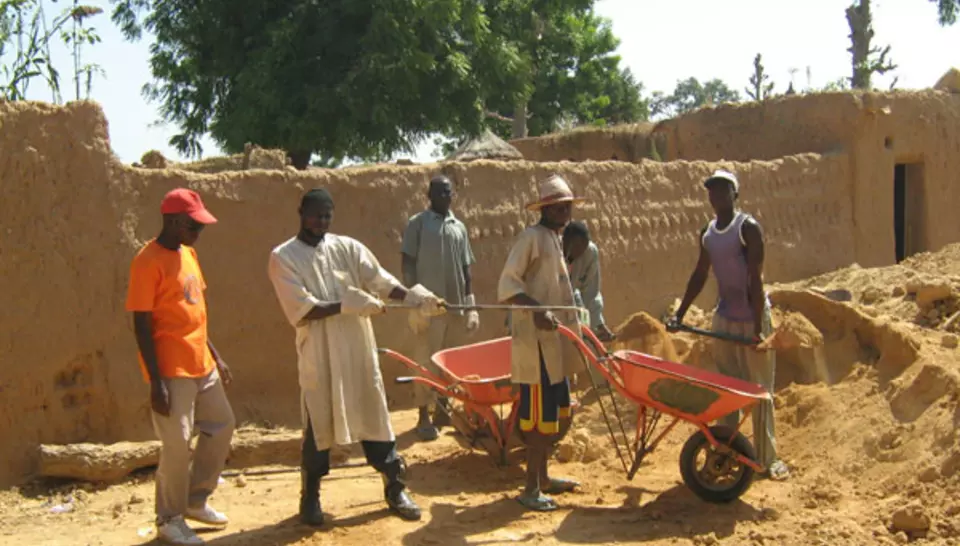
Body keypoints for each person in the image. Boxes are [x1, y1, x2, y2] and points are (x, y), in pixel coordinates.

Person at [267, 188, 446, 526]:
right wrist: (345, 305)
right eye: (315, 214)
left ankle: (395, 487)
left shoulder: (347, 247)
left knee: (374, 414)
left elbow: (379, 281)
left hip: (357, 349)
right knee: (319, 423)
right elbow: (301, 309)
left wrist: (414, 299)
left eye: (327, 215)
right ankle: (310, 496)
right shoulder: (283, 257)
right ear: (301, 212)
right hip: (320, 353)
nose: (321, 221)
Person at [125, 188, 236, 546]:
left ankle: (195, 499)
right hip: (172, 369)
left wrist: (215, 354)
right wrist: (155, 381)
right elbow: (141, 325)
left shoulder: (189, 253)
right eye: (194, 226)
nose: (199, 232)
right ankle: (169, 518)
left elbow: (195, 312)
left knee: (222, 426)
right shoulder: (147, 262)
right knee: (177, 444)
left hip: (201, 363)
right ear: (173, 221)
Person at [666, 169, 790, 481]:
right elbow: (700, 274)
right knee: (726, 390)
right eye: (712, 190)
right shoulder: (708, 234)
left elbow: (755, 279)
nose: (717, 195)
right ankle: (727, 449)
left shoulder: (747, 228)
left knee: (759, 392)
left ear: (735, 194)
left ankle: (768, 458)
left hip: (752, 316)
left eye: (723, 189)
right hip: (724, 317)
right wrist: (680, 314)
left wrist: (758, 328)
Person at [498, 174, 585, 512]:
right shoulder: (531, 238)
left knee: (552, 416)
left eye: (567, 206)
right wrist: (536, 310)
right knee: (537, 419)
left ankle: (544, 479)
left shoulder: (554, 239)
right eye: (558, 207)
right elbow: (508, 286)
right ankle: (530, 488)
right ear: (545, 209)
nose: (565, 211)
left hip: (553, 345)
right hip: (535, 348)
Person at [401, 175, 480, 441]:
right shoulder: (418, 224)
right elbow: (407, 263)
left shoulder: (459, 227)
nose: (447, 197)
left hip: (455, 307)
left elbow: (466, 268)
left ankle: (444, 411)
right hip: (428, 308)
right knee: (425, 362)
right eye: (441, 192)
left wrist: (470, 306)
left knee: (450, 362)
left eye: (449, 192)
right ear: (430, 196)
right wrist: (414, 300)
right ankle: (424, 415)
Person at [562, 220, 616, 342]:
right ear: (566, 242)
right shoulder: (553, 252)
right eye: (577, 247)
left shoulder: (590, 253)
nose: (581, 252)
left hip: (574, 308)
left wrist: (598, 324)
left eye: (584, 247)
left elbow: (591, 292)